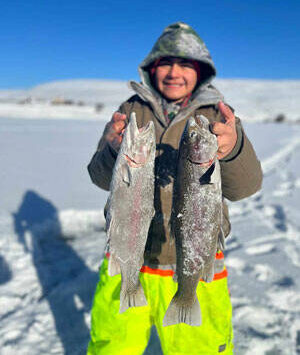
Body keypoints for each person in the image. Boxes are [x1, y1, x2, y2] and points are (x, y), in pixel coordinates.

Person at [87, 22, 262, 355]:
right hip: (128, 256)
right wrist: (112, 149)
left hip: (198, 263)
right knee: (112, 345)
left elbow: (245, 187)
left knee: (200, 348)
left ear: (201, 71)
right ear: (152, 69)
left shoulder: (219, 117)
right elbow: (99, 177)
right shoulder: (130, 111)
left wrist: (234, 146)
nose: (174, 72)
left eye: (186, 64)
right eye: (165, 63)